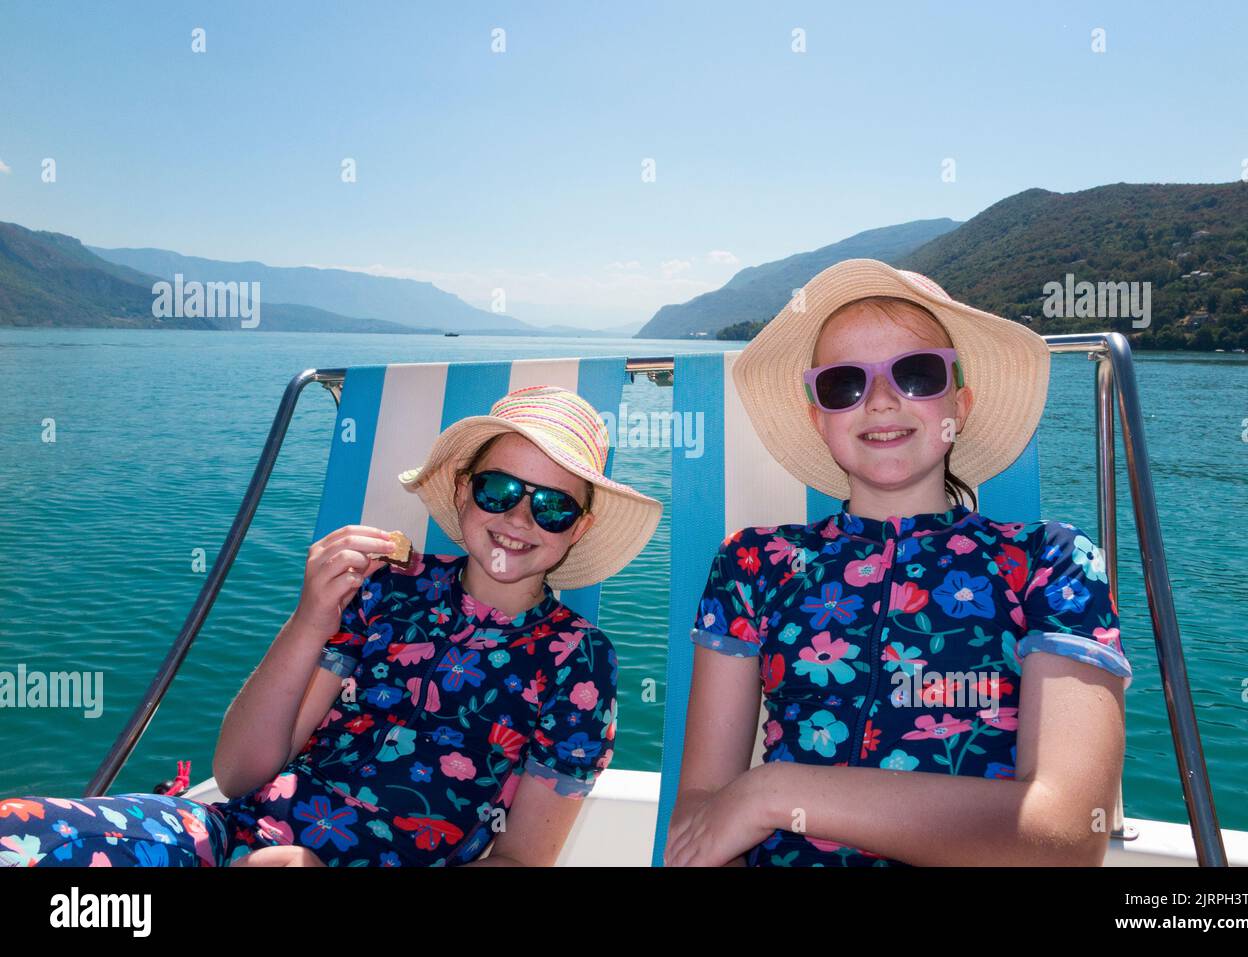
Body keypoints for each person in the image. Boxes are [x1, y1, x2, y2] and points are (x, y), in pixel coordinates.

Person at [0, 385, 662, 866]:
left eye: (551, 506)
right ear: (462, 490)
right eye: (499, 491)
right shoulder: (387, 587)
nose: (519, 519)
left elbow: (520, 860)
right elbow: (239, 771)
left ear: (579, 527)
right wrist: (311, 614)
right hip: (231, 836)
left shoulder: (578, 659)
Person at [664, 259, 1132, 867]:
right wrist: (757, 801)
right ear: (819, 419)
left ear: (958, 406)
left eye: (916, 375)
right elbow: (698, 812)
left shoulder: (1050, 562)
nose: (881, 401)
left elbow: (1066, 839)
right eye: (843, 385)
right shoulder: (753, 564)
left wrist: (776, 790)